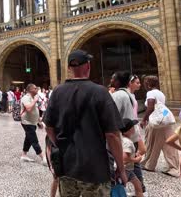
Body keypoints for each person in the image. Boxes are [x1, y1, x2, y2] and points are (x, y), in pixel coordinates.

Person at [43, 49, 127, 196]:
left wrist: (61, 146)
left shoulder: (57, 91)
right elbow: (112, 135)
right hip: (95, 169)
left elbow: (49, 127)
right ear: (88, 65)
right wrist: (121, 168)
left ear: (69, 68)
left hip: (66, 167)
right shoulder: (100, 92)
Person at [140, 75, 180, 177]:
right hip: (164, 122)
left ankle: (149, 165)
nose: (144, 84)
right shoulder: (161, 93)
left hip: (156, 123)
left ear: (148, 84)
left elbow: (150, 107)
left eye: (145, 82)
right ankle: (174, 168)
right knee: (169, 144)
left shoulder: (150, 93)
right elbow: (162, 108)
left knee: (151, 143)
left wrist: (144, 119)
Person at [19, 83, 46, 164]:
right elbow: (29, 109)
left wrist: (39, 122)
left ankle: (24, 155)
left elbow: (35, 111)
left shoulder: (33, 97)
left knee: (28, 138)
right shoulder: (25, 98)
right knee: (34, 140)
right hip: (27, 122)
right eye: (35, 88)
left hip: (32, 122)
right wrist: (35, 100)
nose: (37, 89)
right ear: (30, 90)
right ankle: (43, 157)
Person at [121, 118, 144, 197]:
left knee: (138, 186)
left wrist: (134, 154)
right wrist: (136, 159)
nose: (135, 128)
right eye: (133, 127)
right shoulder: (128, 142)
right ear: (130, 130)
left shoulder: (121, 139)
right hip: (126, 170)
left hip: (129, 170)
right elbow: (124, 159)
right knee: (121, 188)